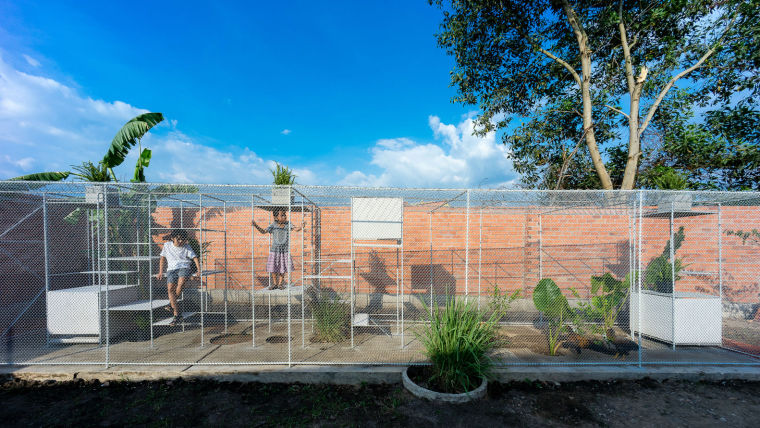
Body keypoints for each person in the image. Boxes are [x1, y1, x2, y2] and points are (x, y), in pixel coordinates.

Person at [155, 229, 201, 326]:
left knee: (181, 283)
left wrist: (198, 269)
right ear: (172, 238)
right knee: (170, 288)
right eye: (178, 239)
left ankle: (172, 307)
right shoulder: (167, 246)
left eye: (183, 240)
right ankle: (176, 313)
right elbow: (162, 258)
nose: (181, 241)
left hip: (184, 267)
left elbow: (194, 257)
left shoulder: (186, 246)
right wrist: (160, 272)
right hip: (171, 269)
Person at [253, 208, 303, 290]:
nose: (284, 217)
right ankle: (275, 284)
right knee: (273, 267)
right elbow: (263, 231)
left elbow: (296, 229)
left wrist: (301, 226)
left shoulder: (288, 224)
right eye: (282, 215)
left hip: (284, 250)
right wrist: (256, 226)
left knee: (282, 267)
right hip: (275, 250)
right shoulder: (273, 225)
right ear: (276, 217)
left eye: (285, 215)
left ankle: (280, 284)